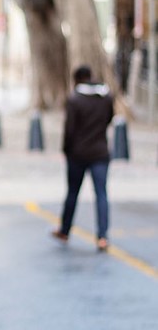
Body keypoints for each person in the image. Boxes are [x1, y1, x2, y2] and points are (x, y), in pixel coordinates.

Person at [52, 65, 114, 251]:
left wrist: (66, 150)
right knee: (101, 194)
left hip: (77, 154)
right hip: (100, 152)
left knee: (72, 193)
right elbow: (109, 119)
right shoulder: (106, 97)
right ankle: (102, 236)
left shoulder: (74, 99)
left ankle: (64, 230)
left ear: (77, 80)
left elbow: (69, 130)